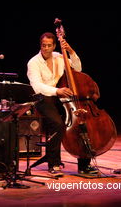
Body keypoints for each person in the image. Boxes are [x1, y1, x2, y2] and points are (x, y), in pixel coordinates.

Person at [27, 32, 98, 177]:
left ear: (54, 46)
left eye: (49, 46)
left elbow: (77, 69)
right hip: (42, 97)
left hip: (59, 96)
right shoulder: (33, 62)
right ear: (40, 45)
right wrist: (57, 91)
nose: (45, 48)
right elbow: (37, 86)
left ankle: (84, 165)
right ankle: (53, 163)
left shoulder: (60, 57)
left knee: (81, 121)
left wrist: (71, 51)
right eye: (43, 45)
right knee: (57, 124)